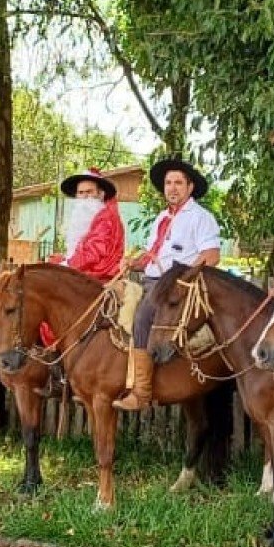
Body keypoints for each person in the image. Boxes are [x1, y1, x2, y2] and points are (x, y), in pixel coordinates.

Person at [113, 156, 223, 411]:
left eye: (178, 183)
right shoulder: (162, 217)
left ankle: (141, 391)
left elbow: (212, 255)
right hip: (151, 281)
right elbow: (153, 255)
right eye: (168, 183)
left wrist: (182, 280)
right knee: (110, 304)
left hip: (175, 288)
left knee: (141, 317)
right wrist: (133, 263)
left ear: (189, 188)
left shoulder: (200, 217)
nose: (172, 188)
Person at [51, 168, 126, 282]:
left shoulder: (107, 219)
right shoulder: (91, 218)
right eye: (81, 193)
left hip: (99, 279)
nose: (85, 196)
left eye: (89, 191)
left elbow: (93, 253)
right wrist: (64, 259)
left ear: (100, 194)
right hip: (82, 274)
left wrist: (66, 264)